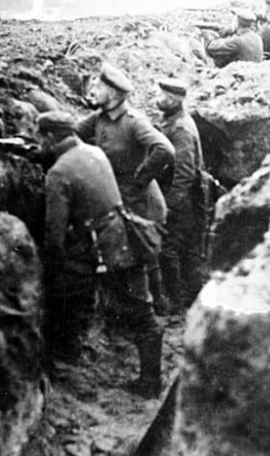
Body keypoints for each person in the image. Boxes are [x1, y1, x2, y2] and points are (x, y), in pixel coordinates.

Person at [38, 111, 164, 398]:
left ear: (49, 137)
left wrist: (50, 269)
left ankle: (66, 364)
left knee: (67, 295)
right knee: (141, 307)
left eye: (40, 137)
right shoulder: (93, 151)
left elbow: (54, 234)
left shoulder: (58, 174)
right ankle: (151, 379)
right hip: (125, 236)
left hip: (104, 248)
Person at [75, 63, 176, 315]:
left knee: (141, 253)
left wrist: (140, 179)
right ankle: (145, 308)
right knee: (133, 253)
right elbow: (72, 133)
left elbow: (165, 149)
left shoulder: (133, 122)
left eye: (99, 87)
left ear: (114, 95)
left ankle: (153, 310)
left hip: (141, 199)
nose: (94, 91)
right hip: (119, 195)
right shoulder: (100, 117)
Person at [154, 78, 207, 314]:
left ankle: (176, 303)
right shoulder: (173, 121)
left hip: (182, 197)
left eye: (163, 96)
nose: (158, 99)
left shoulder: (181, 129)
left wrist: (169, 205)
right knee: (186, 249)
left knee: (169, 248)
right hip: (182, 195)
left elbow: (184, 173)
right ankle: (191, 298)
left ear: (174, 101)